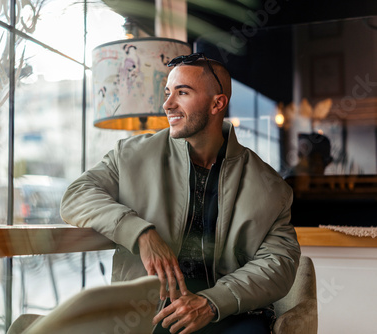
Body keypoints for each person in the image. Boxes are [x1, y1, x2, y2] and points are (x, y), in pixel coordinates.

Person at [60, 53, 300, 334]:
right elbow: (76, 196)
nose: (167, 104)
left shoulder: (270, 186)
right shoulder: (130, 156)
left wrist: (212, 302)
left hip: (230, 314)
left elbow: (279, 264)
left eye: (182, 93)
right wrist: (140, 233)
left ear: (217, 103)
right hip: (149, 314)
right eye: (167, 92)